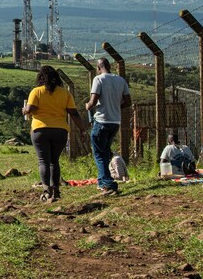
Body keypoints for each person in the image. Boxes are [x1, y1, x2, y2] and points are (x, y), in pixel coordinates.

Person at [23, 65, 86, 202]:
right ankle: (56, 189)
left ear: (40, 77)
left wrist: (25, 110)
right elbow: (74, 113)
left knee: (43, 161)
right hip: (60, 130)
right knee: (54, 161)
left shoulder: (36, 91)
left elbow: (31, 108)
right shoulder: (65, 93)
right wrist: (82, 129)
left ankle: (46, 190)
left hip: (40, 130)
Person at [86, 58, 131, 196]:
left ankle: (108, 183)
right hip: (115, 122)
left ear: (99, 67)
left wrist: (88, 105)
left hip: (101, 121)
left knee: (99, 153)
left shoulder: (98, 79)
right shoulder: (120, 80)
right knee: (105, 151)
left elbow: (93, 101)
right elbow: (128, 101)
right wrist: (116, 106)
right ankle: (101, 181)